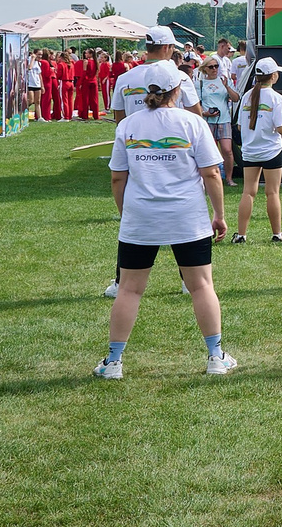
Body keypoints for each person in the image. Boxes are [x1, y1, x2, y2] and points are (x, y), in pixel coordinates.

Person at [94, 67, 233, 377]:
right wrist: (220, 215)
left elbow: (118, 177)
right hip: (187, 217)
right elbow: (211, 173)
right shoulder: (193, 122)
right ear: (178, 90)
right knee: (201, 287)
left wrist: (125, 213)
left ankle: (113, 362)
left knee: (129, 289)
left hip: (140, 218)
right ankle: (215, 357)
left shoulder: (128, 125)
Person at [232, 58, 282, 244]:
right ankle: (277, 234)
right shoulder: (276, 98)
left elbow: (240, 127)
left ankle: (241, 235)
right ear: (273, 76)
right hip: (271, 150)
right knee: (272, 193)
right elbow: (281, 128)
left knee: (248, 192)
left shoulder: (247, 95)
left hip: (250, 151)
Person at [193, 52, 235, 173]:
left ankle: (229, 178)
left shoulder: (224, 81)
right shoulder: (199, 83)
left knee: (227, 150)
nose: (214, 69)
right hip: (207, 120)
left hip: (224, 119)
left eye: (216, 66)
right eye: (211, 67)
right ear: (205, 69)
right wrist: (205, 113)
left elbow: (236, 98)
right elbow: (197, 103)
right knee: (210, 150)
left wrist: (227, 87)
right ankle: (212, 174)